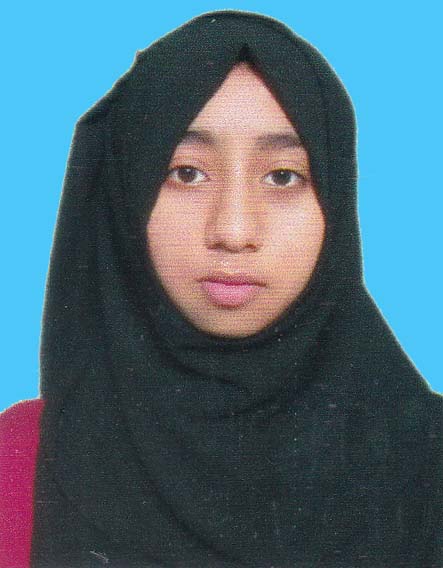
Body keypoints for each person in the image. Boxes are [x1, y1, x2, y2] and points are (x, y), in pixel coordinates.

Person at [1, 10, 442, 568]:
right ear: (125, 195)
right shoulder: (17, 462)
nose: (233, 230)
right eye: (186, 173)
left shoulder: (429, 460)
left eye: (283, 176)